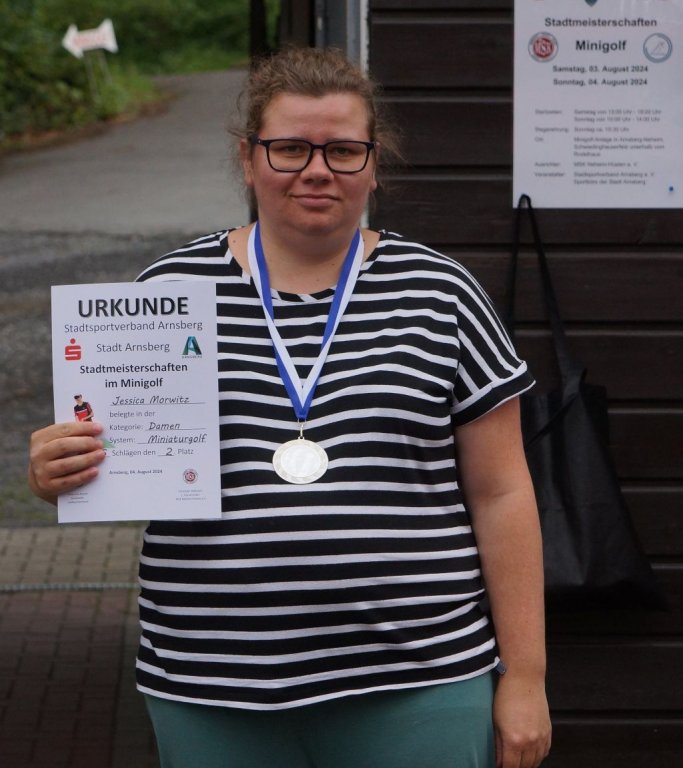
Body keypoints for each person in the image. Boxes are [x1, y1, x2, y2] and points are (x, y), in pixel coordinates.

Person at [28, 47, 551, 768]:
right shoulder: (169, 292)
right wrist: (59, 472)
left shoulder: (441, 294)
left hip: (418, 681)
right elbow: (113, 457)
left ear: (374, 164)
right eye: (290, 148)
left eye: (343, 150)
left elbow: (502, 492)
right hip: (210, 684)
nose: (316, 170)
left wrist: (525, 676)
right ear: (248, 160)